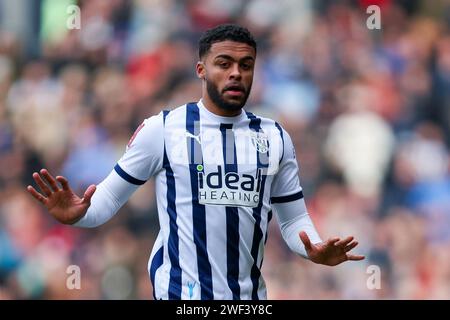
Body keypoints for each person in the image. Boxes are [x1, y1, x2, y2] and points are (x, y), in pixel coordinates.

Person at [27, 24, 364, 300]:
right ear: (201, 69)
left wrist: (314, 249)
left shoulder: (274, 138)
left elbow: (293, 221)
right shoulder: (163, 129)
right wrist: (78, 215)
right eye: (224, 64)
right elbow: (109, 198)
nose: (235, 73)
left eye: (245, 66)